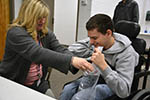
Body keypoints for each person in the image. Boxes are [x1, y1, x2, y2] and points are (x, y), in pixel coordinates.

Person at [0, 0, 94, 98]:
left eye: (45, 17)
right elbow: (37, 53)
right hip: (15, 82)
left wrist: (79, 61)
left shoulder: (45, 33)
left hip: (38, 83)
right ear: (29, 16)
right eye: (39, 18)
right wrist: (72, 60)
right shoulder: (15, 33)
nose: (43, 21)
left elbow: (60, 49)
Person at [59, 14, 139, 100]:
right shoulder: (97, 44)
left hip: (112, 84)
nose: (91, 42)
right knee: (67, 90)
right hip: (95, 78)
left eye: (94, 38)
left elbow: (124, 91)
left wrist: (103, 66)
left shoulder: (127, 53)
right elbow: (71, 49)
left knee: (79, 98)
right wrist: (92, 46)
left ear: (108, 33)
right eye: (89, 38)